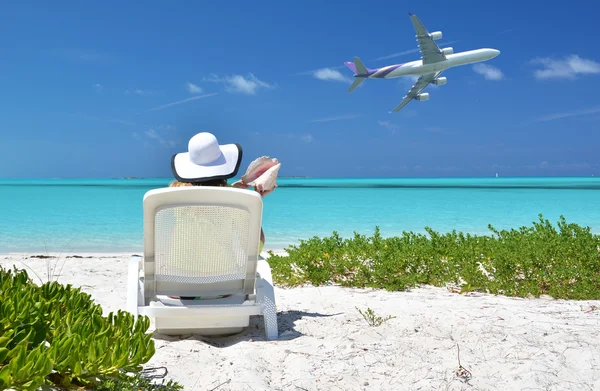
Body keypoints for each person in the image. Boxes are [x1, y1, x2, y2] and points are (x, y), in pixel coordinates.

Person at [168, 132, 275, 300]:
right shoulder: (236, 201)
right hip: (221, 288)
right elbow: (255, 247)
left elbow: (204, 195)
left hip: (177, 288)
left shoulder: (174, 197)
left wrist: (235, 190)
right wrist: (256, 201)